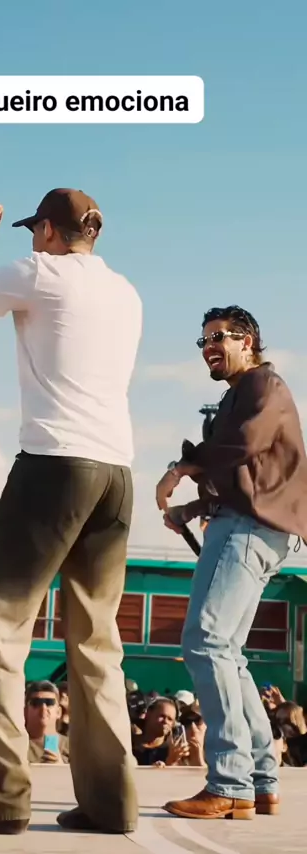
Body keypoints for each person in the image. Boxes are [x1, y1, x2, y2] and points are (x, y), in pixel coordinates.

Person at [0, 188, 143, 835]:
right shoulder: (125, 291)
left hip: (54, 468)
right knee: (96, 643)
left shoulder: (38, 272)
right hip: (116, 473)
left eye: (33, 231)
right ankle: (110, 803)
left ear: (45, 230)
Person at [155, 305, 307, 820]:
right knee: (228, 654)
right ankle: (260, 781)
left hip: (248, 530)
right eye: (203, 341)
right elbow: (247, 474)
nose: (209, 348)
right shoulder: (240, 394)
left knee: (206, 643)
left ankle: (230, 782)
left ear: (248, 341)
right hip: (250, 526)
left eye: (219, 337)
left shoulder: (264, 385)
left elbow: (242, 446)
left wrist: (181, 467)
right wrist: (195, 507)